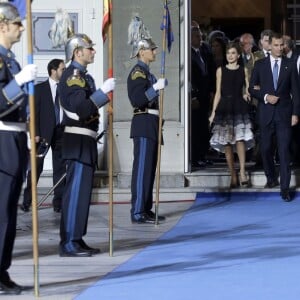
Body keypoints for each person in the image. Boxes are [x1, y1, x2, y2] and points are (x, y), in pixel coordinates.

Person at [58, 33, 115, 257]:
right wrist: (103, 93)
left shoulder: (84, 76)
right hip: (77, 140)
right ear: (77, 52)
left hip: (86, 140)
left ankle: (77, 238)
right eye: (89, 48)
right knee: (75, 194)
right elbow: (82, 109)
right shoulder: (73, 76)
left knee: (83, 195)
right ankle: (68, 242)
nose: (93, 51)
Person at [0, 2, 37, 295]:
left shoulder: (9, 61)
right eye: (17, 24)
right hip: (1, 140)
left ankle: (2, 270)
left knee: (9, 211)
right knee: (1, 211)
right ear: (2, 26)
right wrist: (19, 84)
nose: (22, 28)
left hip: (15, 139)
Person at [249, 32, 300, 201]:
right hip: (265, 114)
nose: (279, 48)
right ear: (269, 46)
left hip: (285, 114)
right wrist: (265, 96)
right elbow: (252, 89)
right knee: (265, 149)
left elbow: (296, 92)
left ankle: (285, 189)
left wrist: (295, 113)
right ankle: (271, 177)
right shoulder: (260, 65)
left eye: (281, 45)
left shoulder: (290, 64)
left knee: (284, 151)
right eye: (276, 45)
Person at [127, 38, 167, 224]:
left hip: (151, 123)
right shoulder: (137, 73)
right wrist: (154, 89)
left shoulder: (147, 73)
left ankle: (146, 207)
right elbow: (138, 100)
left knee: (150, 169)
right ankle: (137, 211)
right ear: (142, 51)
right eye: (152, 49)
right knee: (142, 169)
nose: (155, 52)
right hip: (143, 123)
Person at [21, 59, 66, 213]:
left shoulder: (66, 88)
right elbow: (34, 114)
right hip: (43, 135)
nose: (64, 71)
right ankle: (27, 200)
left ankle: (58, 202)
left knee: (60, 168)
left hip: (61, 132)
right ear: (53, 70)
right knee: (35, 168)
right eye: (62, 69)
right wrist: (35, 134)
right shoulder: (39, 89)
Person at [209, 42, 254, 188]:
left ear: (238, 55)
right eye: (228, 53)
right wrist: (213, 113)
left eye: (233, 53)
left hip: (239, 106)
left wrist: (248, 94)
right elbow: (217, 93)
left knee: (240, 140)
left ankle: (242, 172)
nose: (230, 55)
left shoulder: (243, 70)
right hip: (225, 107)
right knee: (227, 142)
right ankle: (232, 174)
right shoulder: (220, 70)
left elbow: (248, 88)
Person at [190, 21, 216, 168]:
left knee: (204, 127)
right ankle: (194, 157)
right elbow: (188, 77)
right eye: (196, 36)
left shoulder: (204, 51)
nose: (199, 39)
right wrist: (193, 96)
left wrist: (212, 91)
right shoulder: (187, 53)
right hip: (195, 97)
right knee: (196, 128)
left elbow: (210, 71)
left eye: (200, 36)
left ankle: (202, 155)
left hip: (206, 96)